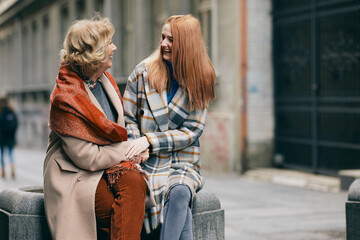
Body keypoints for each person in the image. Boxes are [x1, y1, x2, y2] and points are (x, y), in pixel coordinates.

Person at [43, 15, 153, 240]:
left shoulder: (105, 80)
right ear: (94, 52)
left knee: (135, 182)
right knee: (120, 209)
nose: (115, 47)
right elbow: (87, 157)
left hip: (108, 167)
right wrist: (131, 149)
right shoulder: (66, 97)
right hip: (76, 173)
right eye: (109, 43)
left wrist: (134, 148)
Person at [123, 14, 216, 240]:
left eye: (171, 40)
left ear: (186, 44)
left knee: (181, 191)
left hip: (182, 160)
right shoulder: (143, 72)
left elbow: (191, 131)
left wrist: (150, 141)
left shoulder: (202, 78)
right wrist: (138, 145)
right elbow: (128, 118)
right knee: (177, 201)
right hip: (145, 160)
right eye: (163, 37)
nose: (163, 43)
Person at [0, 97, 18, 179]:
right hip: (11, 138)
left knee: (2, 155)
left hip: (2, 139)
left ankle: (3, 170)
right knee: (11, 154)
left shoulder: (1, 113)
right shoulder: (12, 112)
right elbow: (16, 124)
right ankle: (12, 167)